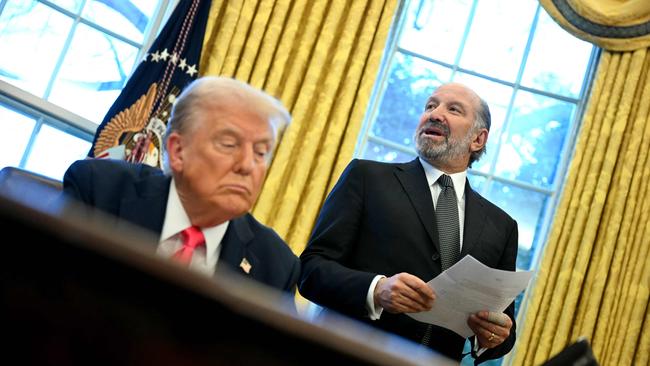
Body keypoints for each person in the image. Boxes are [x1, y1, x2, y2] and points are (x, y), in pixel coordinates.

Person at [299, 83, 518, 363]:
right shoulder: (366, 178)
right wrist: (376, 290)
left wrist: (493, 337)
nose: (435, 114)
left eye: (453, 109)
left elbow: (504, 328)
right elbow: (311, 270)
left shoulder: (502, 227)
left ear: (478, 139)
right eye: (430, 106)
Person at [61, 76, 300, 294]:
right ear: (177, 151)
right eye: (229, 144)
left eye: (260, 152)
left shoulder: (276, 266)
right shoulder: (100, 191)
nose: (247, 165)